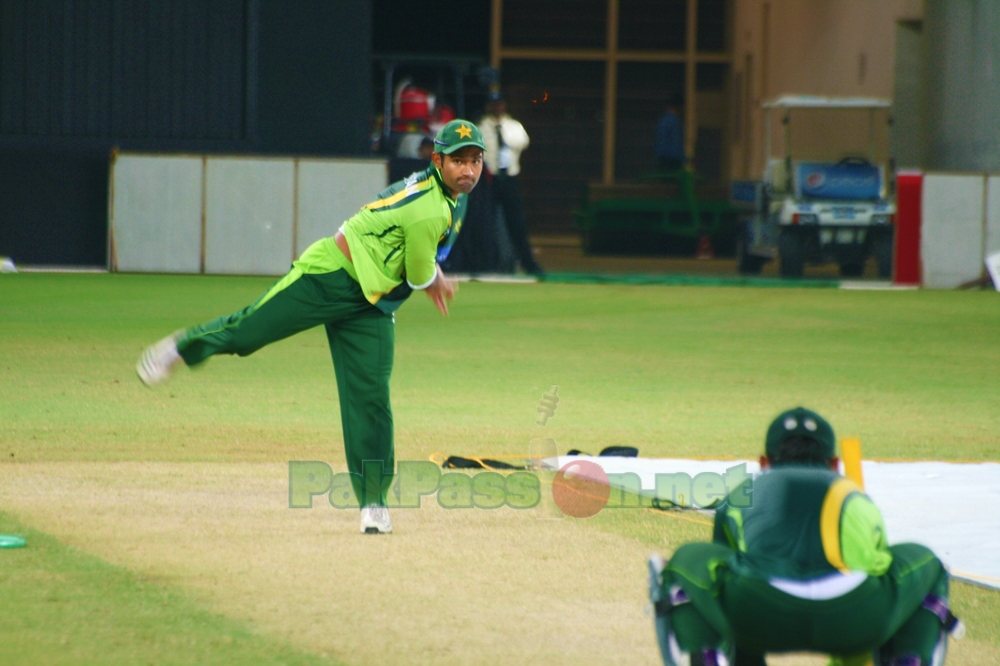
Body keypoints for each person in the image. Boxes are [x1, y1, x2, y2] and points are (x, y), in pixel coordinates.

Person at [136, 119, 487, 535]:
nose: (467, 170)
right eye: (457, 161)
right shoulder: (428, 209)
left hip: (371, 305)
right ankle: (181, 347)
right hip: (330, 274)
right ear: (437, 161)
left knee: (370, 401)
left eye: (475, 160)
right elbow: (418, 274)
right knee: (247, 334)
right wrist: (436, 281)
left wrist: (424, 271)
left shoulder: (453, 197)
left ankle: (373, 501)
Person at [649, 407, 962, 666]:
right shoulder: (855, 496)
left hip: (759, 611)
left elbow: (726, 578)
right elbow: (876, 567)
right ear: (835, 464)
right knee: (925, 564)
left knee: (688, 561)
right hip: (856, 617)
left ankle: (708, 657)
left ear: (763, 463)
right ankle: (908, 659)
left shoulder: (744, 493)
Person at [479, 91, 544, 277]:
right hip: (489, 179)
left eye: (500, 104)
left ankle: (527, 263)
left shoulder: (514, 126)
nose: (497, 108)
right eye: (493, 104)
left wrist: (503, 136)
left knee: (517, 224)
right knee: (486, 223)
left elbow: (522, 142)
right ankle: (486, 263)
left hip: (510, 179)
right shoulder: (481, 128)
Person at [655, 99, 686, 172]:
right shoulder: (674, 121)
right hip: (673, 159)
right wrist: (683, 158)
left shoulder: (663, 120)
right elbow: (676, 142)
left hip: (663, 157)